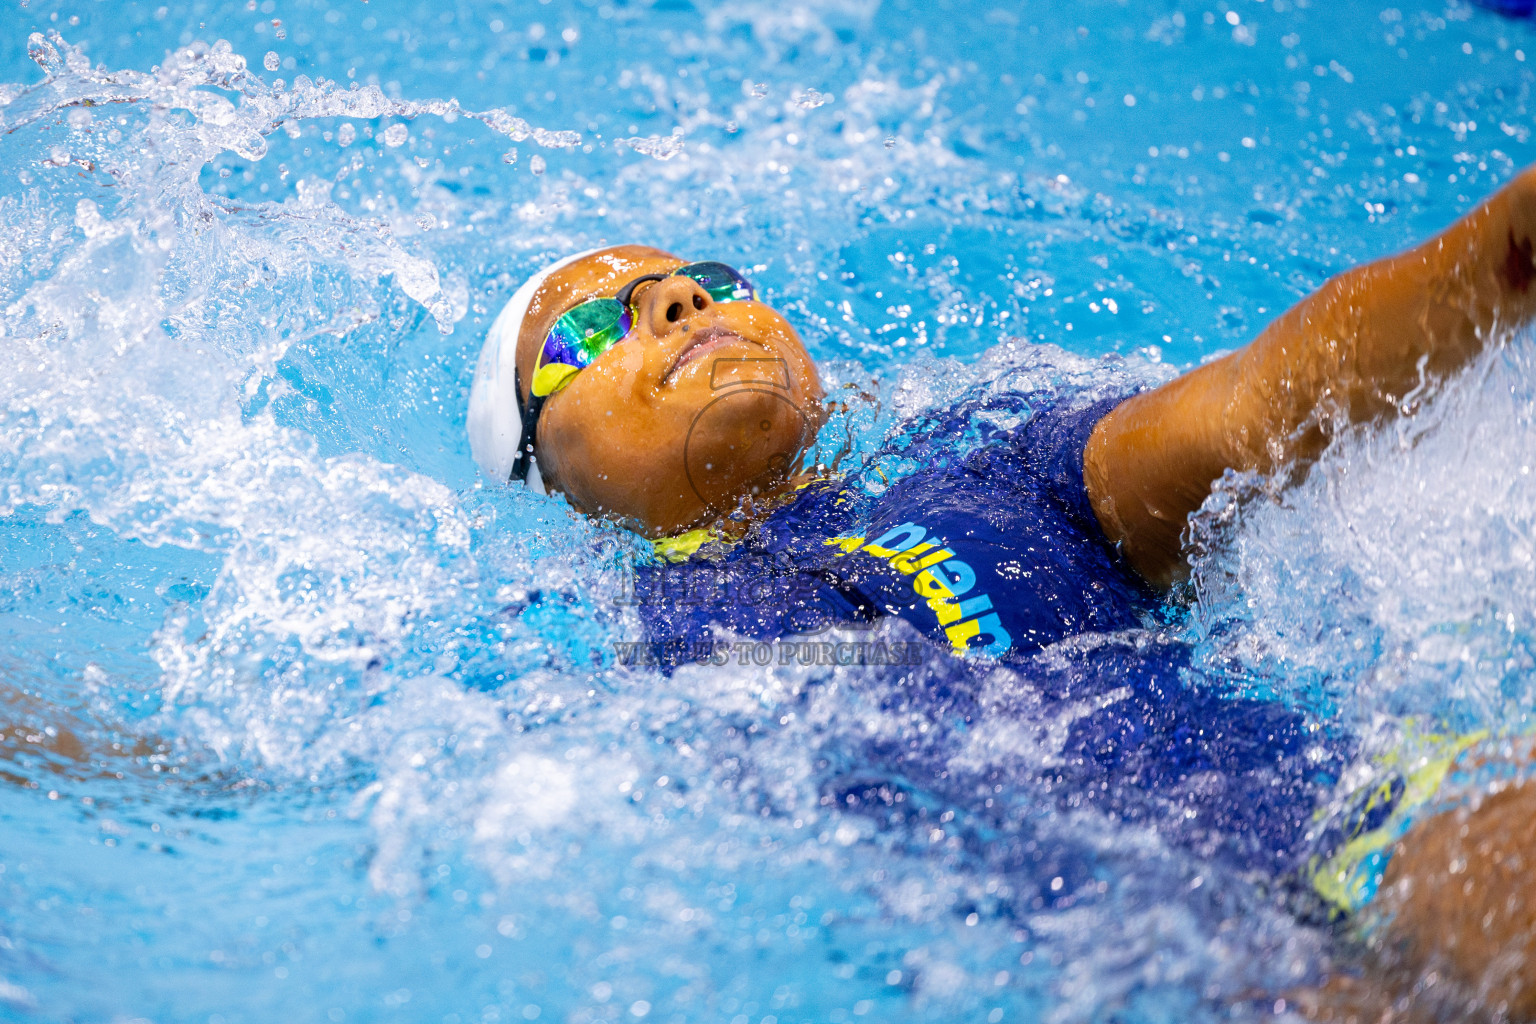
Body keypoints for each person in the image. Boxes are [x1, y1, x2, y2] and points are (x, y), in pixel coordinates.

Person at [467, 169, 1536, 1016]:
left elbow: (1257, 402)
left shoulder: (987, 459)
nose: (682, 298)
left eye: (715, 280)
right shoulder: (603, 654)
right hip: (1168, 971)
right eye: (590, 330)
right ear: (547, 477)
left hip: (1367, 822)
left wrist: (1504, 254)